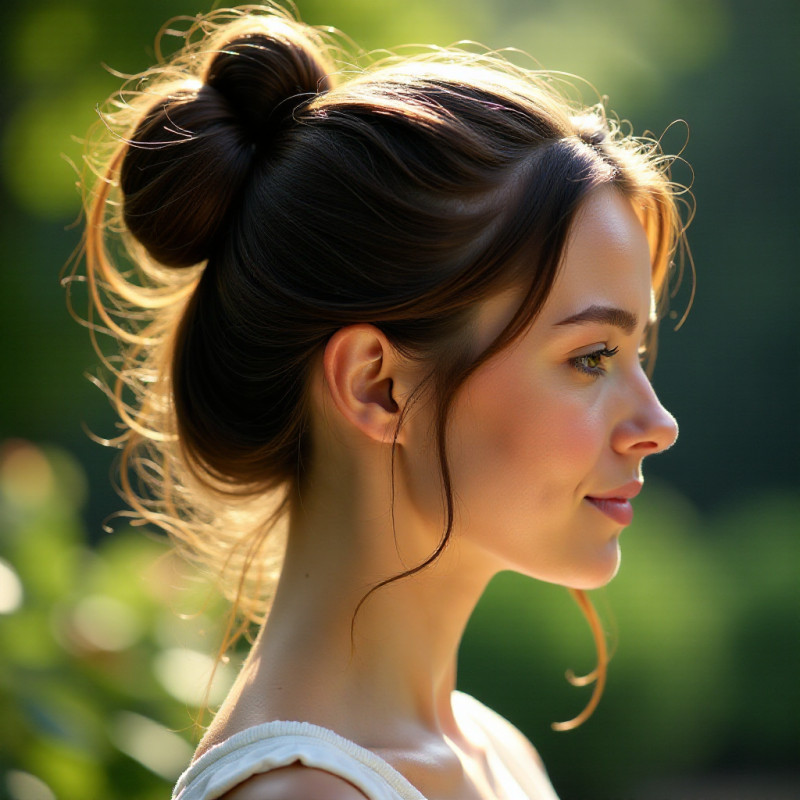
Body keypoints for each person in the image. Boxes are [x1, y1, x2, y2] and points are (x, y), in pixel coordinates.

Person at [74, 4, 687, 798]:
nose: (658, 425)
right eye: (592, 357)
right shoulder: (305, 796)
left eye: (636, 354)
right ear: (377, 385)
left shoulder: (498, 756)